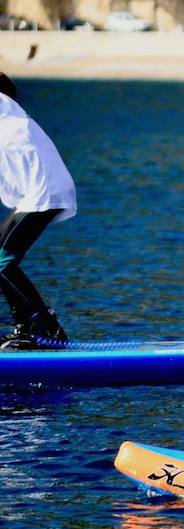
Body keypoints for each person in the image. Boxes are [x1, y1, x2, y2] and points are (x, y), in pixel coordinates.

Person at [0, 72, 74, 350]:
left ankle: (46, 326)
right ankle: (24, 327)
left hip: (44, 192)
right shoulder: (9, 116)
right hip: (39, 192)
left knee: (3, 261)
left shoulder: (3, 106)